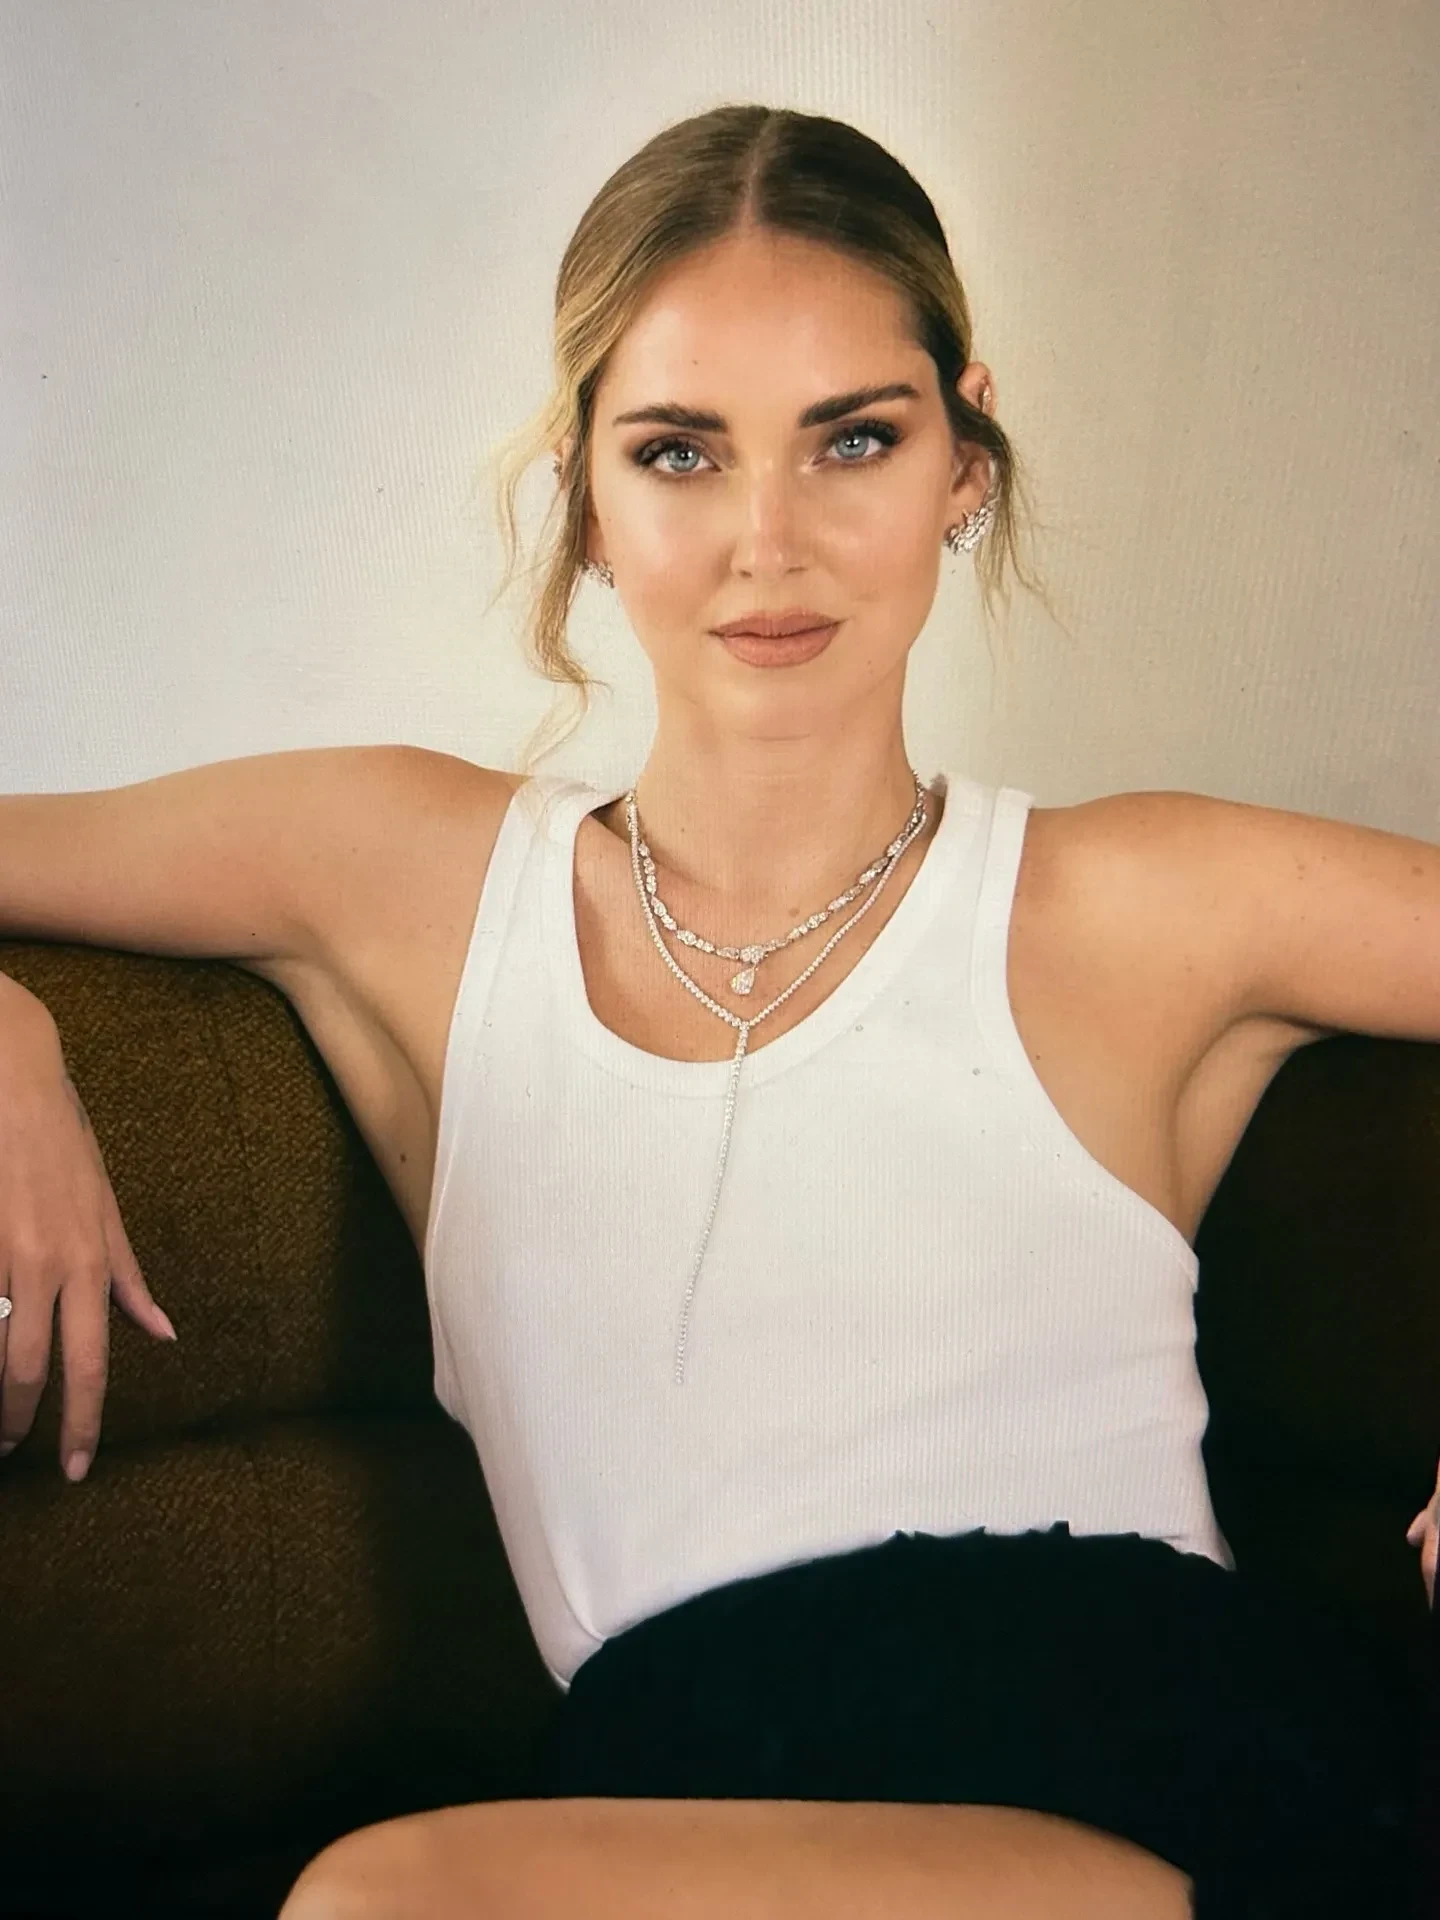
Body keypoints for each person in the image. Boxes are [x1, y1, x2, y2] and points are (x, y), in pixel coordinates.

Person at [0, 102, 1432, 1920]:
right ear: (587, 499)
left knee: (388, 1905)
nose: (771, 539)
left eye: (855, 438)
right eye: (680, 452)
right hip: (674, 1801)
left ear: (964, 461)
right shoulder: (401, 873)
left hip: (1157, 1779)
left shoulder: (1145, 900)